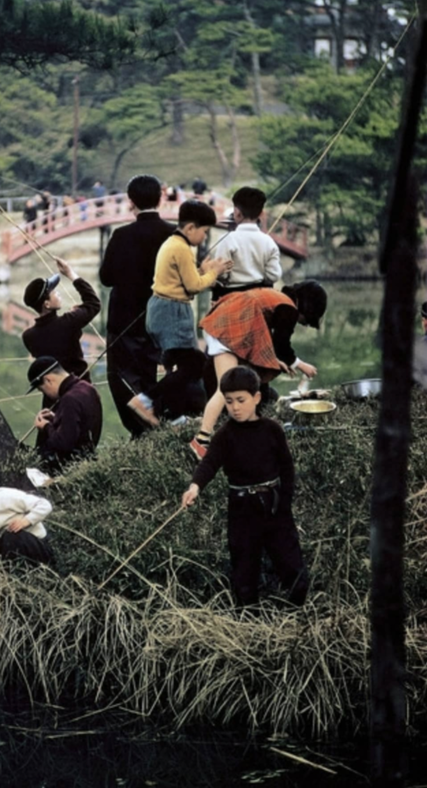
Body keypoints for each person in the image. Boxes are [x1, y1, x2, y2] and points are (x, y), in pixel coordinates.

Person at [182, 366, 308, 607]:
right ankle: (248, 614)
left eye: (241, 400)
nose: (235, 408)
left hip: (273, 504)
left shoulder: (273, 430)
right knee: (244, 565)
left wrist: (285, 504)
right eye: (229, 402)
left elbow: (287, 469)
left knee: (289, 559)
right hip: (241, 508)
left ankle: (297, 609)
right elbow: (209, 463)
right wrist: (195, 486)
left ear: (256, 398)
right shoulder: (224, 435)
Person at [190, 281, 328, 458]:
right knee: (225, 389)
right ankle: (201, 441)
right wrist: (301, 365)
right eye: (307, 320)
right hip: (229, 328)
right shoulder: (289, 309)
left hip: (223, 323)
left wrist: (275, 360)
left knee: (234, 384)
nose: (303, 324)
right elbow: (282, 346)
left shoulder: (277, 297)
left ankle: (235, 432)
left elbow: (262, 339)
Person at [99, 174, 175, 437]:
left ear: (130, 202)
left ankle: (142, 429)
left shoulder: (121, 236)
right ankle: (156, 425)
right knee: (151, 375)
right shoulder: (173, 235)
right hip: (162, 319)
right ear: (161, 198)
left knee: (122, 376)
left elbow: (106, 278)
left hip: (124, 319)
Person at [146, 200, 231, 355]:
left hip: (158, 307)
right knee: (189, 364)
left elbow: (180, 279)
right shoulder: (182, 249)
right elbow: (194, 286)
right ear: (191, 228)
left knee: (173, 361)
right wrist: (215, 272)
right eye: (205, 231)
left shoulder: (171, 242)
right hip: (173, 311)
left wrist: (202, 271)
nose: (205, 237)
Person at [22, 256, 101, 383]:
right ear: (46, 304)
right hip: (80, 389)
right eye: (54, 292)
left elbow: (56, 340)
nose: (58, 293)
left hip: (53, 395)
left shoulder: (28, 337)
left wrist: (73, 322)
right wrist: (70, 273)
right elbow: (94, 303)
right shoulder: (68, 322)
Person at [27, 356, 102, 473]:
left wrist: (46, 427)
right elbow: (80, 425)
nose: (46, 394)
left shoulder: (69, 399)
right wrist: (56, 418)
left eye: (42, 390)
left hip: (71, 467)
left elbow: (64, 444)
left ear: (48, 380)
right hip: (87, 458)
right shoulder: (87, 387)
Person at [212, 187, 281, 301]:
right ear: (261, 214)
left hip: (232, 300)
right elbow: (273, 276)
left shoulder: (227, 240)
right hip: (261, 299)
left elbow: (221, 274)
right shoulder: (269, 242)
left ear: (237, 213)